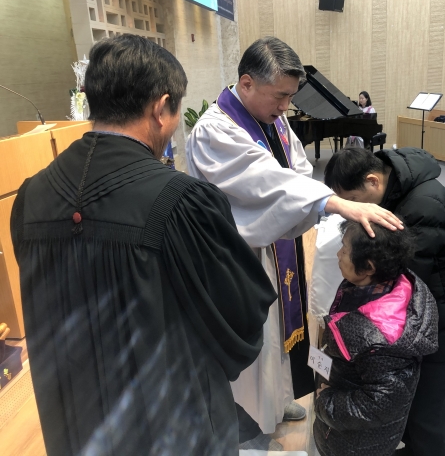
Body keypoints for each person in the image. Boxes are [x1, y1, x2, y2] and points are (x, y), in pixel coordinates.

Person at [10, 35, 277, 456]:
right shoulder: (183, 202)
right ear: (161, 107)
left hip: (73, 418)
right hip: (170, 423)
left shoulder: (30, 197)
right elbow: (240, 316)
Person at [185, 36, 403, 450]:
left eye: (290, 96)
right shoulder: (216, 130)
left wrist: (323, 201)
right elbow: (265, 183)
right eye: (280, 96)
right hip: (239, 256)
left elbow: (297, 170)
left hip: (274, 247)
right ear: (247, 83)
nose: (286, 106)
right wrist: (333, 202)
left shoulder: (273, 119)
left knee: (279, 330)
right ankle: (250, 418)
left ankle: (275, 399)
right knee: (257, 337)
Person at [324, 147, 445, 456]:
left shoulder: (423, 206)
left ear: (373, 181)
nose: (353, 210)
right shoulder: (396, 189)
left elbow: (396, 275)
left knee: (431, 422)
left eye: (353, 200)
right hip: (425, 322)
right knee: (413, 411)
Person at [313, 220, 439, 456]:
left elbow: (379, 404)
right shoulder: (389, 281)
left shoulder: (381, 340)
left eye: (345, 250)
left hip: (356, 443)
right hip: (344, 417)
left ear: (368, 267)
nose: (339, 255)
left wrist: (325, 402)